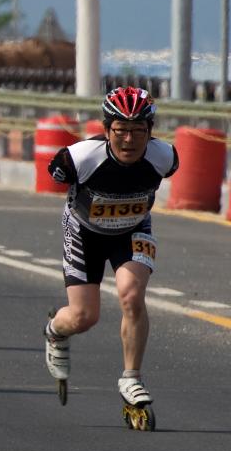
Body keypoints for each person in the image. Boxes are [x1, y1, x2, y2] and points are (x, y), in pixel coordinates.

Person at [44, 87, 177, 430]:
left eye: (138, 131)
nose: (130, 140)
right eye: (121, 130)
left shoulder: (165, 157)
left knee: (132, 295)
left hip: (132, 230)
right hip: (84, 231)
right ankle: (55, 331)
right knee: (83, 317)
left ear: (151, 131)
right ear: (106, 131)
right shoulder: (79, 158)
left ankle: (131, 378)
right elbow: (54, 173)